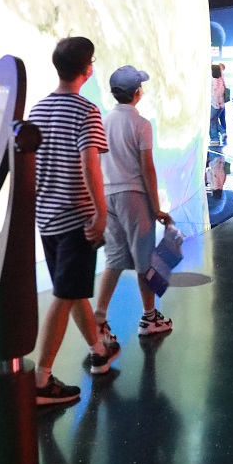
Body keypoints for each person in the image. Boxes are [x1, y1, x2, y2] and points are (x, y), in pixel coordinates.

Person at [31, 37, 117, 407]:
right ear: (88, 68)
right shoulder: (86, 111)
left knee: (74, 289)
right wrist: (100, 212)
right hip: (76, 219)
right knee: (65, 295)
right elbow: (89, 163)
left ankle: (98, 351)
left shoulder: (38, 109)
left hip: (47, 218)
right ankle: (41, 380)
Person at [93, 65, 174, 343]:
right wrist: (156, 207)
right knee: (145, 260)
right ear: (137, 93)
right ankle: (149, 318)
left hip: (108, 195)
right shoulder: (141, 124)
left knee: (114, 259)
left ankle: (99, 319)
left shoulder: (103, 122)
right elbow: (147, 168)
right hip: (134, 196)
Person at [209, 64, 226, 145]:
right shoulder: (221, 80)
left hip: (215, 104)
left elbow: (214, 94)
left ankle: (215, 138)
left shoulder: (212, 81)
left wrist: (216, 104)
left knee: (211, 121)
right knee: (214, 120)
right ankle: (222, 132)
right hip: (221, 104)